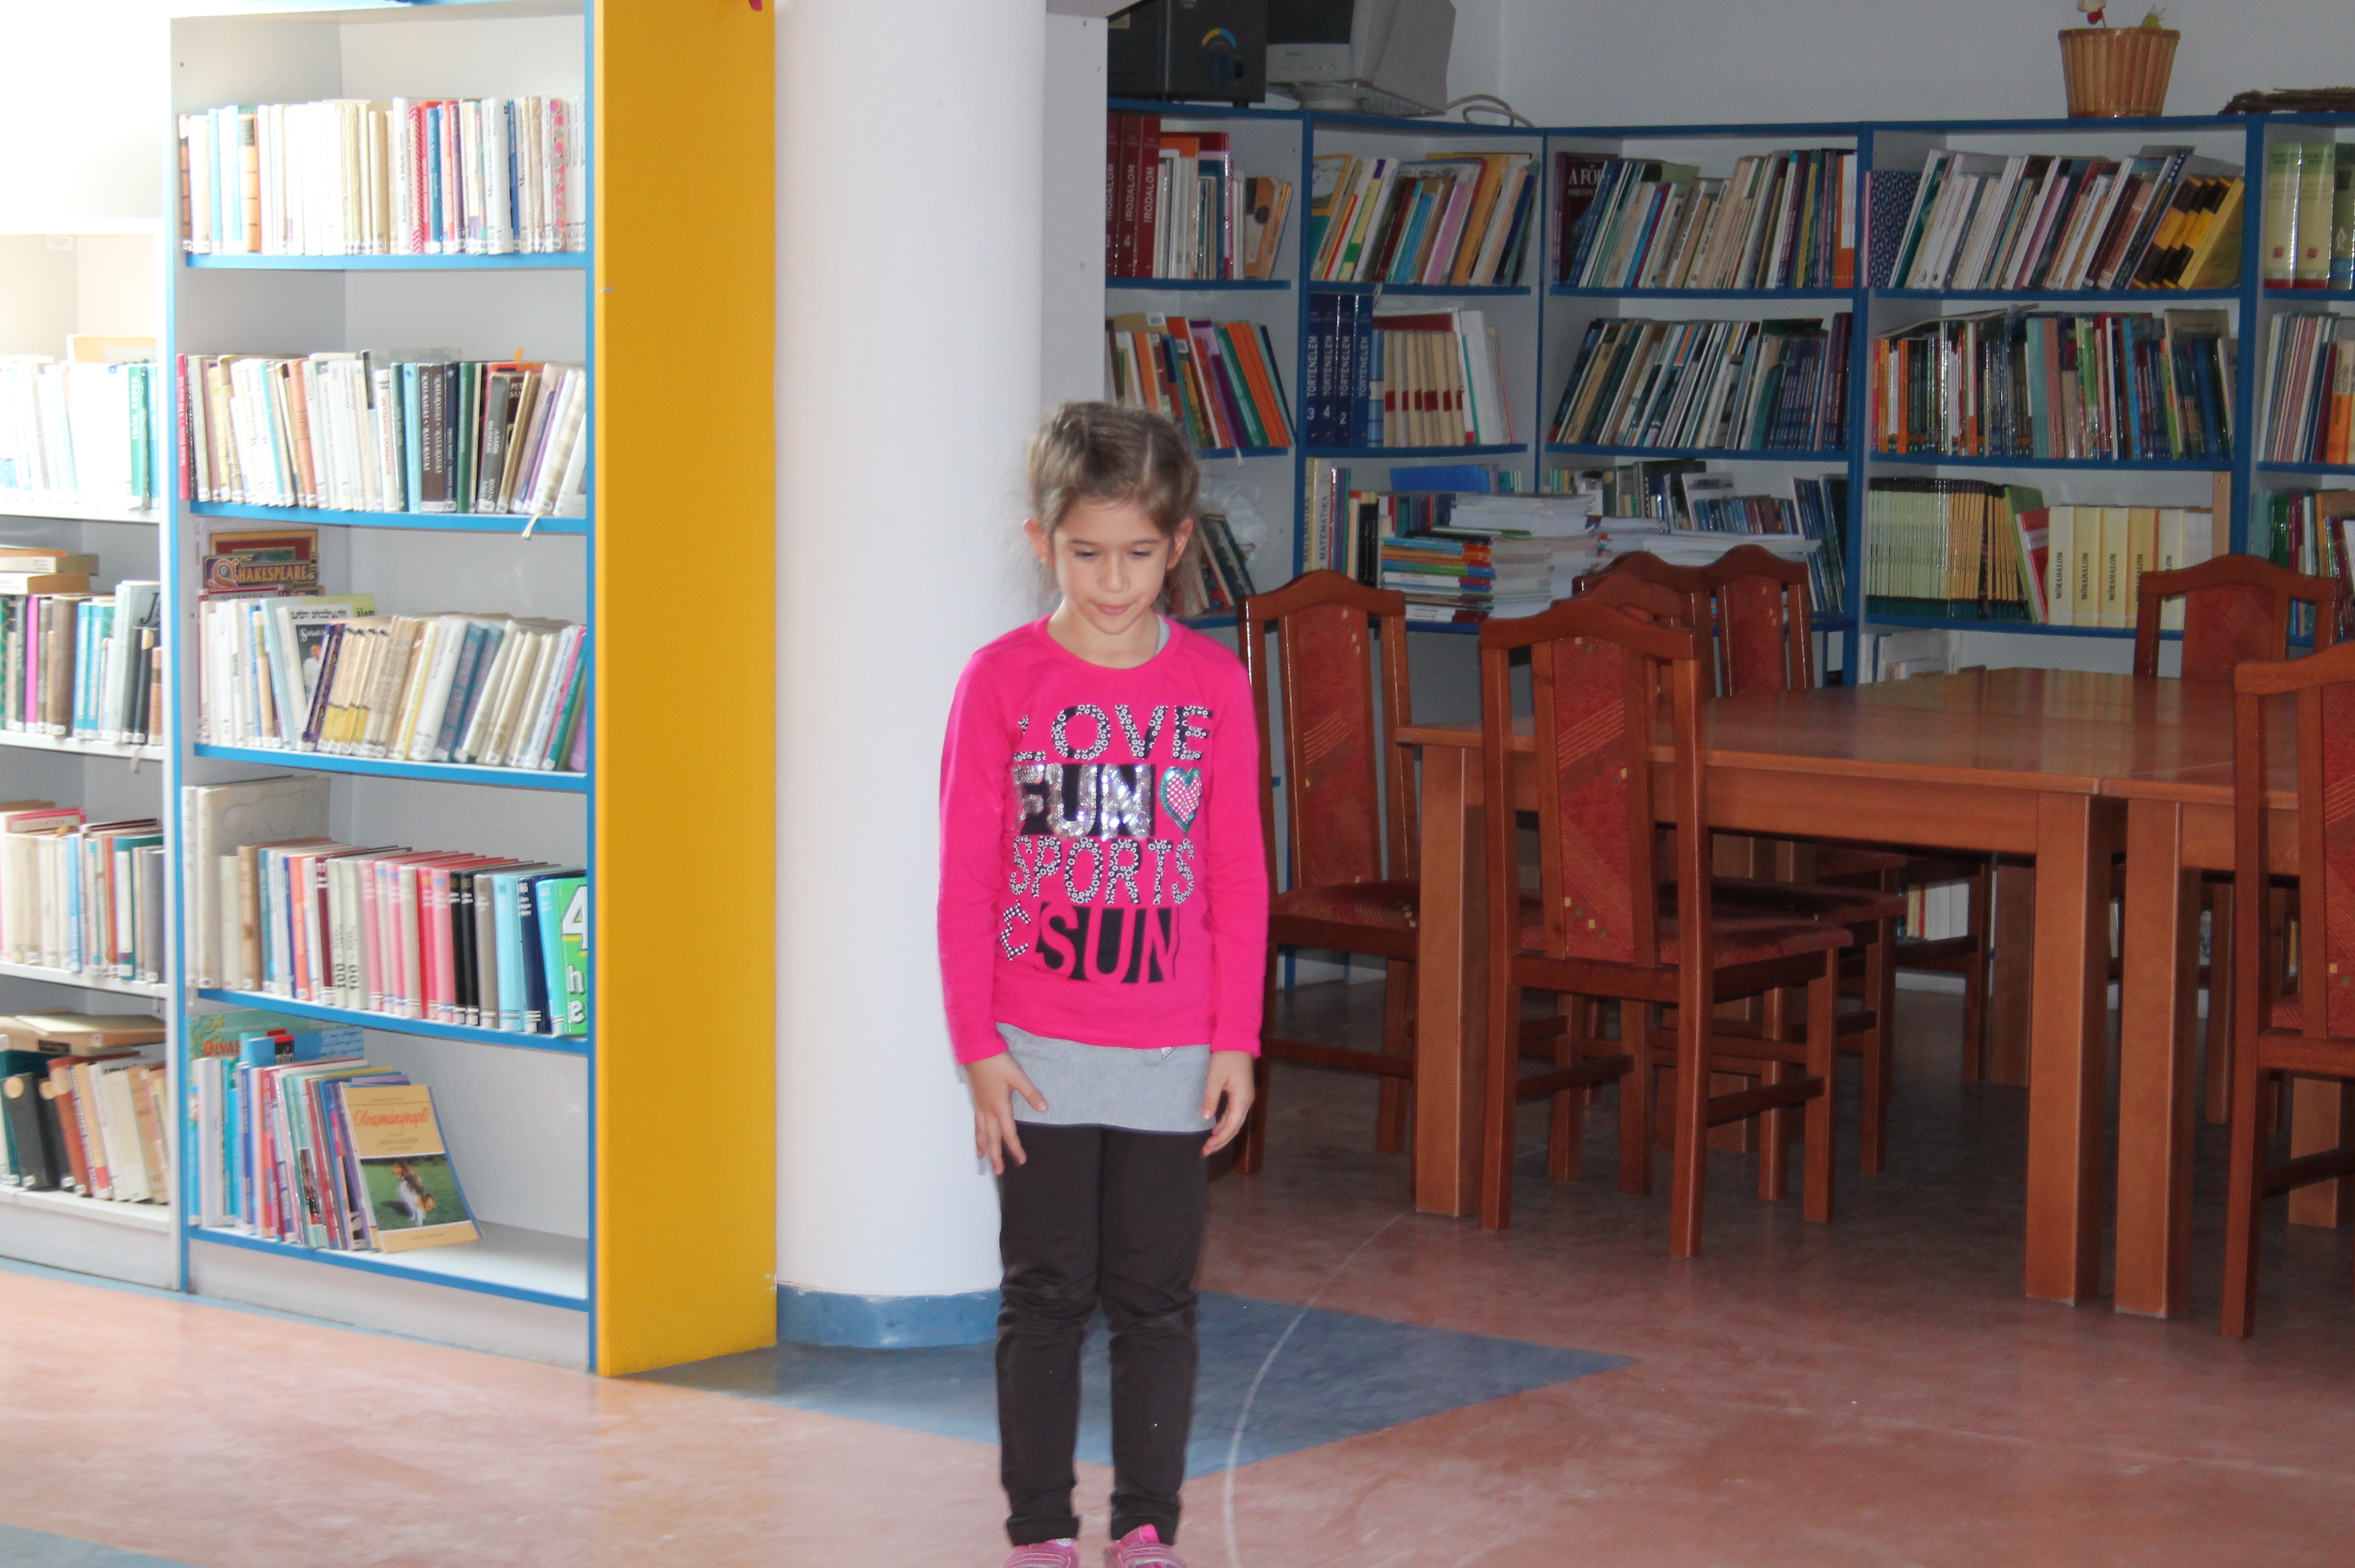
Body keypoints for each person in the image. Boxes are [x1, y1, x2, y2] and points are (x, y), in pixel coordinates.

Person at [937, 402, 1267, 1568]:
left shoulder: (1214, 684)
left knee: (1154, 1301)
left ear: (1178, 545)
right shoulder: (1001, 680)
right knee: (1044, 1295)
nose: (1113, 582)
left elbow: (1237, 872)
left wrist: (1236, 1039)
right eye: (1086, 553)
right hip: (1036, 1052)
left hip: (1173, 1052)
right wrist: (979, 1048)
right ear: (1044, 543)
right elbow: (967, 881)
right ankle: (1040, 1530)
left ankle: (1145, 1523)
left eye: (1137, 553)